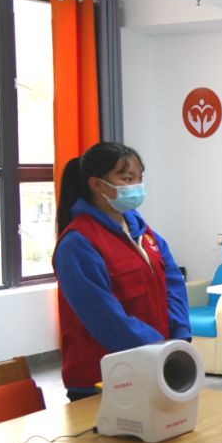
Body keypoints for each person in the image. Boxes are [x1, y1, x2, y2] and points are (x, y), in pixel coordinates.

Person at [54, 142, 191, 403]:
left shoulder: (144, 233)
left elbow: (173, 286)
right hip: (103, 377)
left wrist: (179, 337)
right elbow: (104, 316)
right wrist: (157, 349)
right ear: (97, 184)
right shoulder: (78, 241)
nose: (137, 186)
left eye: (139, 178)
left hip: (158, 364)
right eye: (127, 179)